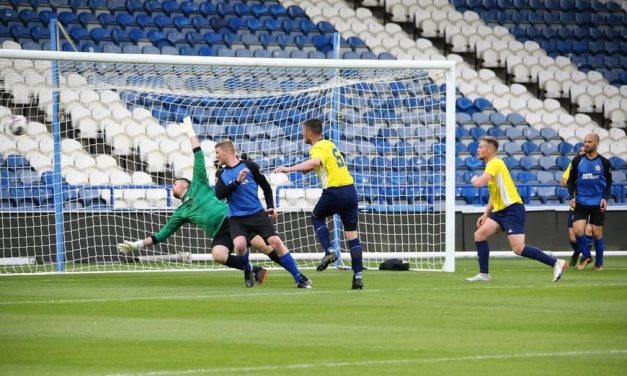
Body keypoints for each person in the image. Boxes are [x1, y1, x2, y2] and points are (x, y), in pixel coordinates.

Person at [117, 117, 285, 284]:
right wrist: (137, 245)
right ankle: (254, 270)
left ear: (185, 184)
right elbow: (161, 235)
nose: (171, 187)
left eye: (174, 183)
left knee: (263, 245)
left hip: (233, 219)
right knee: (218, 255)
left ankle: (294, 272)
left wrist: (190, 133)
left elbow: (198, 156)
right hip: (219, 232)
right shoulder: (181, 212)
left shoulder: (199, 183)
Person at [273, 118, 364, 290]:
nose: (302, 134)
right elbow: (315, 166)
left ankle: (329, 251)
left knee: (316, 217)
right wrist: (304, 168)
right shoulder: (329, 144)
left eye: (303, 131)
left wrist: (289, 169)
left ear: (308, 132)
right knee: (352, 236)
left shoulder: (317, 147)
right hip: (350, 191)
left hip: (335, 190)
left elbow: (315, 162)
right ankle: (358, 277)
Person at [466, 136, 567, 282]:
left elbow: (479, 183)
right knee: (479, 235)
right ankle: (484, 274)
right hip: (500, 211)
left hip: (513, 209)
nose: (478, 149)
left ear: (489, 150)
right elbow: (494, 195)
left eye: (480, 147)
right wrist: (486, 213)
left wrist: (474, 179)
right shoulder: (492, 165)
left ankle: (556, 262)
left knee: (518, 249)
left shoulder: (494, 163)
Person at [214, 139, 311, 288]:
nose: (216, 157)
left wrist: (271, 206)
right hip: (237, 218)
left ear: (227, 152)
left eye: (218, 153)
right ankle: (247, 268)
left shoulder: (250, 166)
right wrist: (237, 182)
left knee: (276, 242)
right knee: (239, 246)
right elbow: (220, 195)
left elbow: (266, 187)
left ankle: (299, 278)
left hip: (256, 214)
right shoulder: (221, 173)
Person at [567, 133, 612, 271]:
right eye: (585, 141)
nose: (586, 144)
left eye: (589, 142)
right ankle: (586, 256)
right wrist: (571, 196)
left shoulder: (604, 163)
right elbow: (570, 180)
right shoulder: (577, 161)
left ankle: (599, 263)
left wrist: (605, 197)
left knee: (596, 232)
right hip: (581, 201)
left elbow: (609, 182)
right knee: (577, 230)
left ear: (596, 143)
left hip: (597, 202)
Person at [560, 144, 593, 267]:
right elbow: (563, 181)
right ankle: (578, 252)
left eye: (584, 151)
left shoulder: (594, 165)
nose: (582, 153)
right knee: (573, 238)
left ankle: (586, 256)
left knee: (586, 231)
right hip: (574, 204)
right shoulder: (574, 164)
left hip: (588, 204)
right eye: (580, 151)